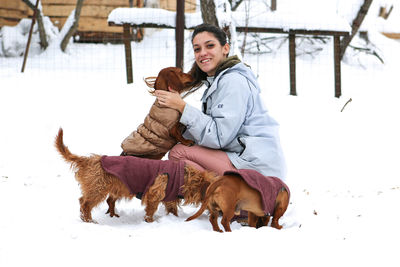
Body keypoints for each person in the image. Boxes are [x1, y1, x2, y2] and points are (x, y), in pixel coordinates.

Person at [155, 23, 286, 181]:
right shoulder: (219, 81)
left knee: (178, 153)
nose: (202, 53)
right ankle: (222, 196)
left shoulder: (233, 82)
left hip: (258, 170)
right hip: (246, 161)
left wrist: (183, 108)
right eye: (197, 49)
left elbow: (218, 137)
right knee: (181, 151)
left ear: (225, 48)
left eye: (209, 45)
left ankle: (223, 197)